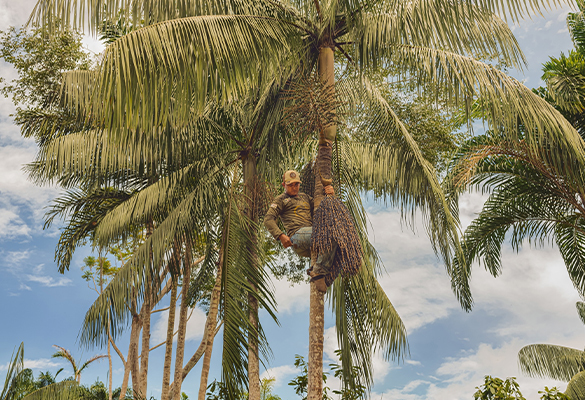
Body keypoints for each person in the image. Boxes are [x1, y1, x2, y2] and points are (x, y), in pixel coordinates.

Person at [264, 169, 336, 292]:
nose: (294, 187)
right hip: (297, 236)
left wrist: (331, 195)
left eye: (296, 184)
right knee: (328, 234)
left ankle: (323, 276)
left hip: (313, 237)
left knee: (338, 242)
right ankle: (318, 272)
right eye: (290, 185)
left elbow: (323, 208)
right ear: (284, 185)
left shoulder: (305, 197)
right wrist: (280, 235)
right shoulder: (281, 200)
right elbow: (268, 219)